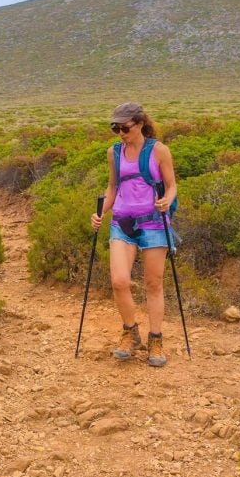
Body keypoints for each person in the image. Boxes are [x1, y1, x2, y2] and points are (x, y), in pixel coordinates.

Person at [90, 102, 178, 367]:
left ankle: (156, 339)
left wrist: (166, 200)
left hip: (153, 223)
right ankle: (131, 332)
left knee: (153, 283)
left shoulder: (160, 151)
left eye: (124, 127)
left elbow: (172, 186)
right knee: (119, 281)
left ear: (139, 124)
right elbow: (112, 187)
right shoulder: (113, 152)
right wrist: (100, 212)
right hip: (121, 221)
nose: (120, 133)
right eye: (115, 127)